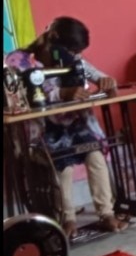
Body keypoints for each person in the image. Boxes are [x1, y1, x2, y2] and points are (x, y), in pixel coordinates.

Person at [5, 17, 128, 238]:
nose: (73, 57)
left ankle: (106, 213)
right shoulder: (18, 61)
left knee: (96, 154)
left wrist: (106, 81)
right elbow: (19, 97)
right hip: (39, 131)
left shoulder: (73, 58)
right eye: (71, 51)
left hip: (73, 126)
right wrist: (62, 94)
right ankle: (67, 218)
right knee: (64, 163)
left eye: (76, 53)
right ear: (52, 39)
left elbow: (99, 76)